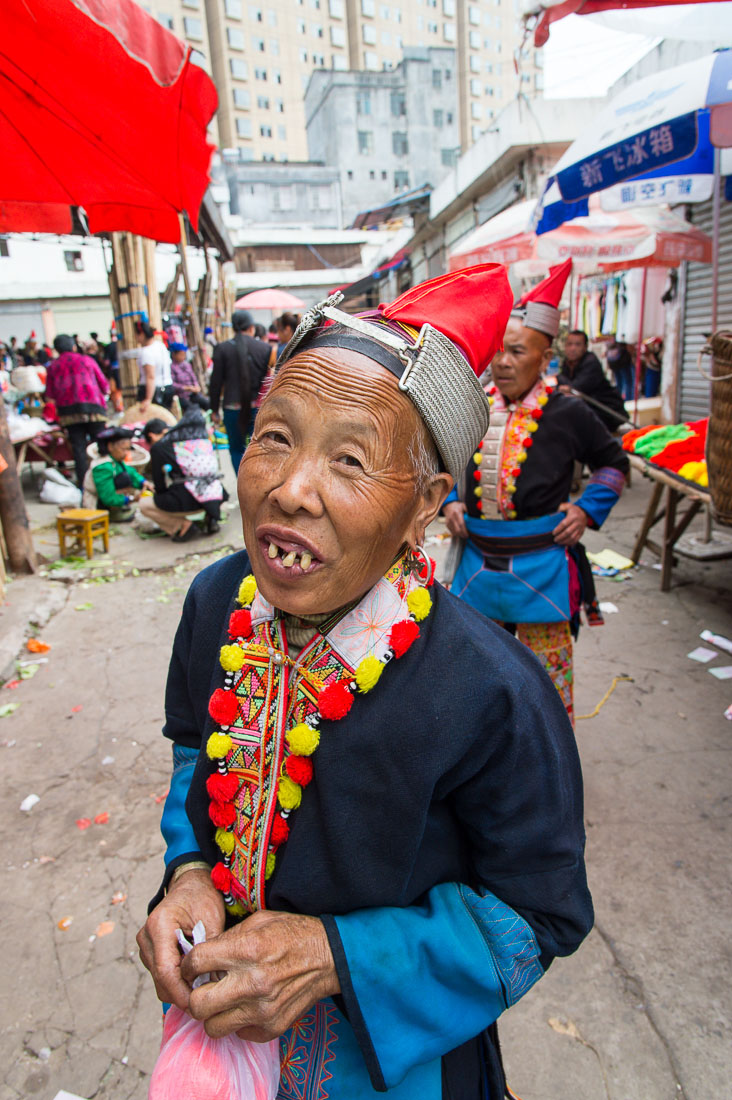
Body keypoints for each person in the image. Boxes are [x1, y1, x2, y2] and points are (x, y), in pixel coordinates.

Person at [137, 266, 593, 1100]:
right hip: (220, 1037)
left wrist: (333, 958)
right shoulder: (215, 604)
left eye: (348, 459)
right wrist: (190, 868)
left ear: (427, 504)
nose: (289, 489)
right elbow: (193, 752)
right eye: (275, 436)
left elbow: (540, 916)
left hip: (401, 1074)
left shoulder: (492, 692)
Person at [444, 260, 629, 723]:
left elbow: (614, 463)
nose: (503, 362)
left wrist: (586, 510)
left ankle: (548, 763)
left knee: (547, 681)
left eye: (518, 352)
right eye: (499, 351)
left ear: (545, 359)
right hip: (477, 565)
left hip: (543, 567)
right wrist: (449, 502)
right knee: (478, 673)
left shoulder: (568, 412)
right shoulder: (473, 408)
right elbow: (440, 464)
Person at [140, 410, 225, 541]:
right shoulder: (195, 437)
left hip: (190, 500)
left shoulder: (159, 446)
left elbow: (160, 484)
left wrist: (160, 493)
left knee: (144, 504)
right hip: (218, 493)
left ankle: (183, 525)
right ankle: (211, 517)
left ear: (151, 436)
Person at [209, 309, 274, 474]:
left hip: (232, 409)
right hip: (258, 409)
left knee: (237, 449)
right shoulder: (265, 349)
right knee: (260, 448)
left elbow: (215, 383)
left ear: (233, 328)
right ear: (251, 328)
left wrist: (214, 410)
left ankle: (243, 488)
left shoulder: (221, 349)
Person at [44, 334, 110, 487]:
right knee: (101, 447)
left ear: (56, 349)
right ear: (73, 346)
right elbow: (104, 385)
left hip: (69, 414)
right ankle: (106, 482)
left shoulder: (53, 366)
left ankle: (84, 485)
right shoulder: (87, 360)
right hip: (94, 410)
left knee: (79, 450)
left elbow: (50, 396)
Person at [558, 329, 628, 430]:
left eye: (577, 345)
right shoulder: (567, 363)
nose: (573, 348)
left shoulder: (591, 362)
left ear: (585, 347)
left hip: (605, 412)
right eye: (569, 344)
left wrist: (557, 376)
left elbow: (576, 388)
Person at [82, 426, 150, 522]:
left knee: (126, 475)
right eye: (123, 449)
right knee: (124, 478)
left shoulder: (115, 460)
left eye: (128, 449)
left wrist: (143, 482)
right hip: (97, 506)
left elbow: (131, 473)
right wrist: (132, 499)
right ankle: (113, 514)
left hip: (106, 501)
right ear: (110, 446)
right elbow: (108, 497)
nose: (126, 453)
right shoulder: (103, 467)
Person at [137, 322, 174, 414]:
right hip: (168, 387)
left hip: (155, 391)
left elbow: (150, 376)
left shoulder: (147, 352)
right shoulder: (160, 346)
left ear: (141, 334)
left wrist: (148, 399)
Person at [169, 343, 209, 410]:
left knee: (206, 402)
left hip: (192, 394)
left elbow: (193, 378)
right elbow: (173, 384)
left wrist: (196, 386)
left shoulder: (187, 365)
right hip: (181, 396)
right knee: (193, 409)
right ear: (174, 354)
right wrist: (186, 388)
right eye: (181, 354)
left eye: (184, 354)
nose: (183, 356)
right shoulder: (171, 367)